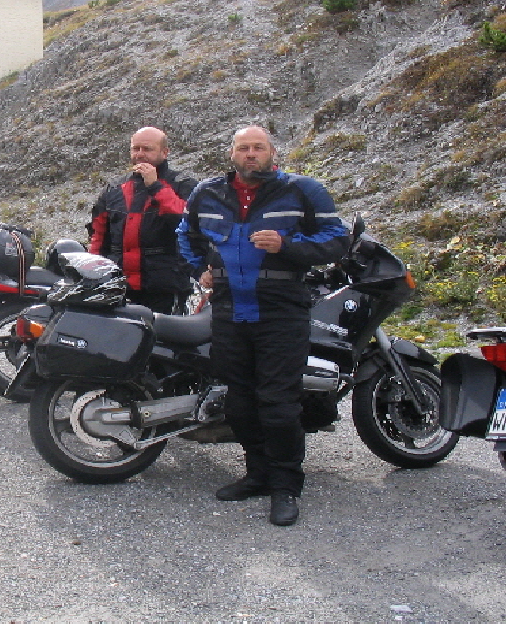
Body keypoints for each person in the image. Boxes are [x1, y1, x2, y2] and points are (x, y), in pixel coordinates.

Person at [177, 126, 348, 526]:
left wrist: (286, 247)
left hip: (280, 309)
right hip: (228, 309)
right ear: (232, 153)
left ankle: (286, 486)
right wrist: (199, 269)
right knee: (239, 400)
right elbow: (185, 235)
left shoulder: (303, 190)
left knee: (278, 401)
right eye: (243, 148)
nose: (250, 154)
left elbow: (337, 240)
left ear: (272, 152)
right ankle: (257, 474)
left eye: (258, 147)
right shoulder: (208, 192)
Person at [87, 127, 198, 313]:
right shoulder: (114, 188)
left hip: (165, 286)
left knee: (163, 340)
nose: (140, 154)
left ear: (165, 152)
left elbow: (188, 223)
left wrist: (155, 186)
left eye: (147, 149)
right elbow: (98, 236)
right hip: (119, 285)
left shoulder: (183, 184)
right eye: (135, 149)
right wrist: (93, 273)